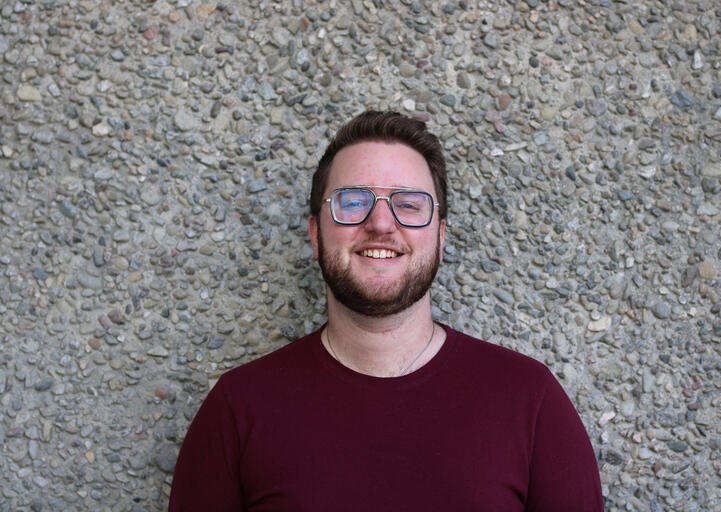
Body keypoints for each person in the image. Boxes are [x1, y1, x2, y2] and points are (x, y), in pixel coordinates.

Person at [169, 111, 604, 511]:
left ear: (441, 235)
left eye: (410, 204)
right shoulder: (238, 409)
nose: (381, 223)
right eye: (354, 201)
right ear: (316, 234)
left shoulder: (529, 401)